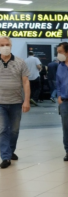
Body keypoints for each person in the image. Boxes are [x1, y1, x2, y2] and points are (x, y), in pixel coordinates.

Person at [0, 36, 31, 169]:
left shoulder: (20, 62)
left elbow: (25, 81)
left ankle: (11, 151)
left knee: (14, 130)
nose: (5, 47)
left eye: (7, 44)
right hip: (0, 102)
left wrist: (27, 100)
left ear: (11, 46)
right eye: (2, 45)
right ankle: (6, 156)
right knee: (2, 129)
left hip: (16, 102)